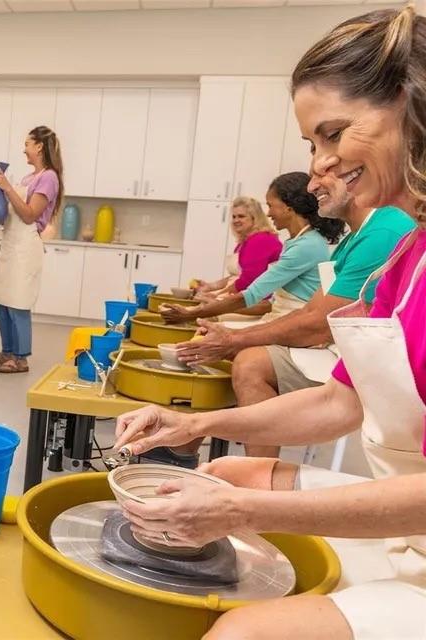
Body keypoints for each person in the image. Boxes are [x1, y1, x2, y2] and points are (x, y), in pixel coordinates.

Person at [114, 6, 426, 638]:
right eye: (313, 144)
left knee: (239, 633)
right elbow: (340, 401)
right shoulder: (406, 255)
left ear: (410, 107)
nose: (318, 166)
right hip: (410, 526)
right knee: (229, 468)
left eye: (333, 134)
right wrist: (197, 422)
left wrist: (237, 510)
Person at [177, 178, 414, 460]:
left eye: (327, 167)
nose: (312, 185)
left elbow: (314, 322)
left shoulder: (381, 231)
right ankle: (195, 436)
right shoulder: (353, 238)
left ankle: (256, 471)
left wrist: (228, 335)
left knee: (250, 363)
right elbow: (312, 312)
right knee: (234, 352)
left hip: (358, 360)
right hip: (333, 343)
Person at [161, 172, 345, 324]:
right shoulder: (298, 241)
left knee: (212, 331)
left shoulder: (306, 246)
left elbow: (252, 292)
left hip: (292, 320)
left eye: (271, 206)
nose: (269, 213)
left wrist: (195, 312)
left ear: (288, 208)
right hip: (279, 314)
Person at [0, 126, 63, 374]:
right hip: (10, 244)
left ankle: (21, 358)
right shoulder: (27, 179)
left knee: (18, 302)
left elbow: (29, 215)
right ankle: (6, 352)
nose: (23, 149)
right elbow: (11, 211)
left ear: (39, 146)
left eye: (27, 143)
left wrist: (6, 188)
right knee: (1, 301)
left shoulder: (49, 177)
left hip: (26, 247)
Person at [193, 196, 282, 303]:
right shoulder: (246, 241)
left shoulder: (261, 240)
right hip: (243, 297)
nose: (236, 220)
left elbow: (248, 280)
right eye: (234, 216)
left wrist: (217, 295)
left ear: (255, 218)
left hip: (256, 302)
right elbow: (238, 276)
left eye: (241, 216)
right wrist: (211, 286)